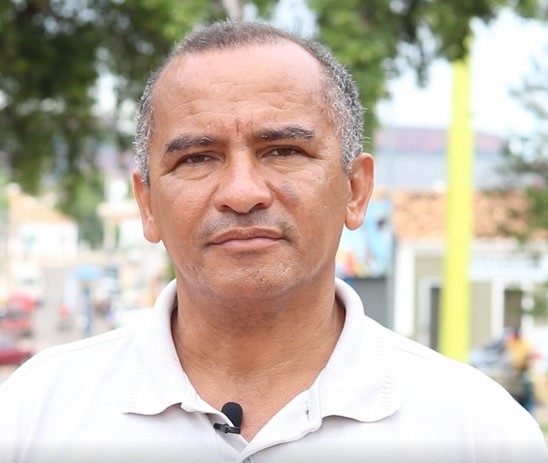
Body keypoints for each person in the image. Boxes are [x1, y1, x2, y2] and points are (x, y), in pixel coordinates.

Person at [0, 21, 546, 463]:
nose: (242, 193)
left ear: (356, 190)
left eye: (283, 151)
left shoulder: (479, 432)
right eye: (197, 158)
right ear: (147, 205)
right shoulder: (34, 415)